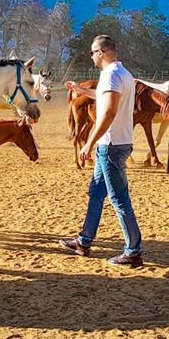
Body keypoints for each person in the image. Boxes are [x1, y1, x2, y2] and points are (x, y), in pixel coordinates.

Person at [59, 35, 143, 268]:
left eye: (92, 51)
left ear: (102, 52)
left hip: (110, 145)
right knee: (96, 193)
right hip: (117, 143)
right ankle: (83, 241)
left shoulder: (111, 75)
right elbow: (105, 98)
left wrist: (89, 142)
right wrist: (79, 90)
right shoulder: (123, 74)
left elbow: (107, 114)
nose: (91, 56)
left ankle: (133, 252)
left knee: (119, 199)